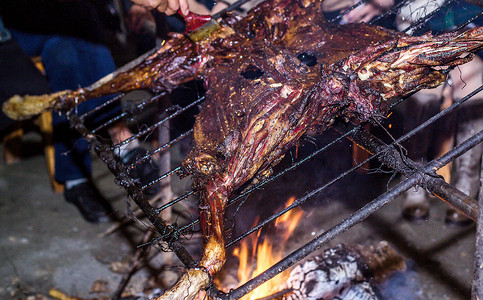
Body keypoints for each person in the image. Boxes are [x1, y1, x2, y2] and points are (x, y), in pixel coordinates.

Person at [0, 1, 160, 223]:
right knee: (73, 36)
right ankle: (120, 138)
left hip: (67, 23)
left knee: (66, 44)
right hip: (19, 29)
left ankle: (75, 178)